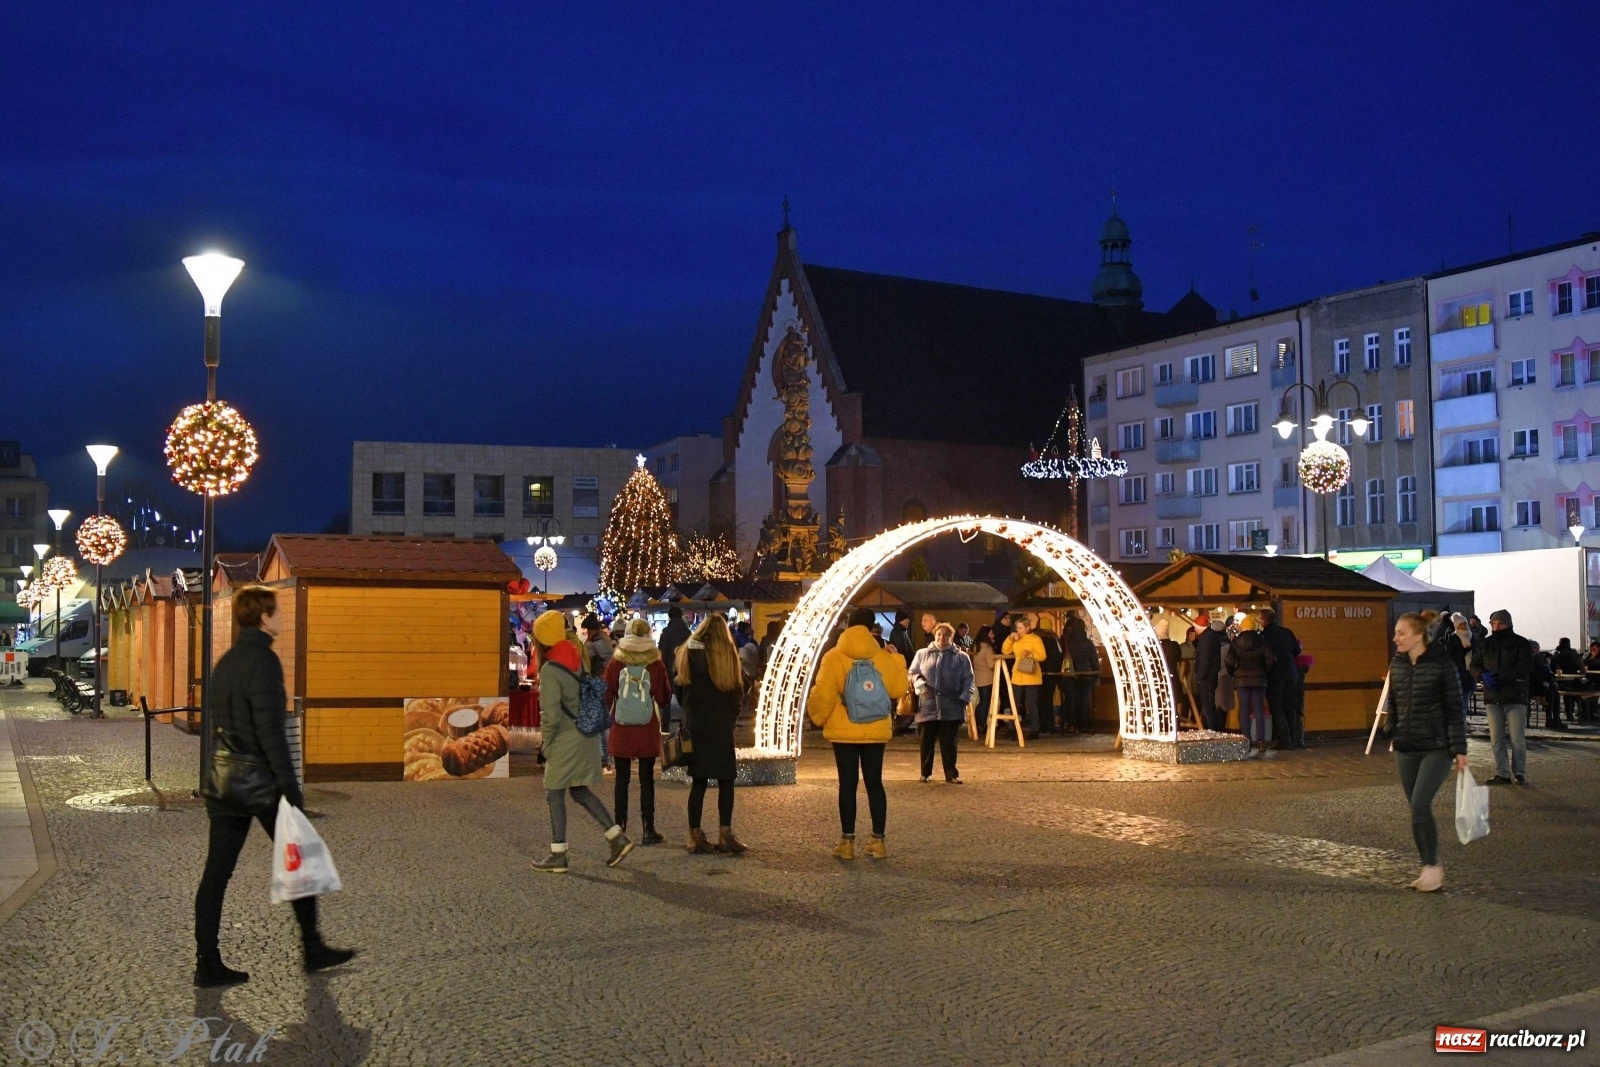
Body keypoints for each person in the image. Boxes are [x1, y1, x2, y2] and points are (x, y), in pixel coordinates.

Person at [193, 586, 356, 988]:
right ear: (263, 617)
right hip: (259, 782)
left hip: (223, 779)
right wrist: (290, 788)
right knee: (301, 858)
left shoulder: (227, 661)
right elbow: (271, 732)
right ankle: (313, 947)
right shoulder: (263, 661)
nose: (282, 615)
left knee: (216, 874)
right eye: (277, 610)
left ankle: (207, 961)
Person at [531, 611, 635, 873]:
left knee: (554, 791)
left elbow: (551, 714)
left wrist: (547, 745)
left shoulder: (550, 669)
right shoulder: (576, 657)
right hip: (585, 734)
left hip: (566, 738)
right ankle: (616, 837)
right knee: (578, 790)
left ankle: (559, 854)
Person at [808, 607, 908, 860]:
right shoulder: (881, 655)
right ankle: (878, 841)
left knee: (847, 785)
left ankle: (847, 843)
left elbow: (823, 693)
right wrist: (897, 661)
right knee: (875, 783)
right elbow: (897, 688)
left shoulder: (834, 656)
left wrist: (817, 717)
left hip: (844, 731)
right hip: (875, 728)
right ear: (871, 626)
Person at [1382, 611, 1469, 892]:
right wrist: (1392, 728)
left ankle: (1433, 868)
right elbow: (1393, 701)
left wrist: (1459, 749)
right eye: (1396, 633)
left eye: (1401, 633)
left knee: (1420, 804)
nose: (1395, 638)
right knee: (1416, 810)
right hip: (1406, 746)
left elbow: (1455, 709)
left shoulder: (1443, 666)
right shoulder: (1397, 664)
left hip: (1436, 746)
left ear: (1418, 636)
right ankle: (1427, 865)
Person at [676, 614, 748, 854]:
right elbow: (737, 691)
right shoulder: (727, 655)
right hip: (720, 724)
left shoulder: (688, 655)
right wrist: (730, 717)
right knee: (726, 780)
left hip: (697, 725)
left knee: (699, 781)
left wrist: (690, 710)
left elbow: (679, 687)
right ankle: (725, 834)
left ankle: (694, 835)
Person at [604, 618, 671, 846]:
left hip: (621, 727)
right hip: (646, 727)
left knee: (621, 780)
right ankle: (648, 829)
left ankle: (620, 829)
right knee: (646, 779)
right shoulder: (655, 663)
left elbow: (607, 695)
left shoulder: (616, 662)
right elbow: (663, 698)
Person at [1470, 609, 1534, 785]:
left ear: (1508, 624)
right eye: (1493, 623)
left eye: (1500, 623)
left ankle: (1520, 772)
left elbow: (1525, 667)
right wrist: (1481, 676)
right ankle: (1502, 773)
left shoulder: (1520, 643)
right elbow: (1474, 664)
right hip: (1492, 696)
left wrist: (1499, 678)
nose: (1496, 627)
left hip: (1514, 696)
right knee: (1496, 738)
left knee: (1517, 738)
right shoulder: (1486, 644)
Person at [909, 623, 976, 783]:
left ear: (952, 637)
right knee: (926, 742)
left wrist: (965, 697)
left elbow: (969, 679)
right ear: (934, 635)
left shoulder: (961, 657)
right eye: (939, 634)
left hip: (951, 705)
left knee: (949, 743)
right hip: (927, 705)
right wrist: (916, 680)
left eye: (946, 635)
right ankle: (925, 773)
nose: (942, 637)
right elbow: (912, 672)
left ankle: (951, 774)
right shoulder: (922, 654)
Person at [1224, 615, 1275, 757]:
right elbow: (1270, 659)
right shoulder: (1262, 641)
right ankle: (1261, 741)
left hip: (1241, 681)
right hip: (1259, 680)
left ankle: (1245, 739)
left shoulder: (1235, 642)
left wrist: (1234, 673)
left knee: (1244, 710)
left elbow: (1228, 660)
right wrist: (1266, 670)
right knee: (1259, 710)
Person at [1258, 608, 1304, 750]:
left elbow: (1263, 656)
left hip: (1275, 674)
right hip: (1291, 672)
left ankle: (1284, 741)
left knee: (1277, 707)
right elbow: (1297, 650)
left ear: (1264, 621)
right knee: (1290, 706)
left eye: (1260, 619)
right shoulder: (1287, 632)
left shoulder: (1264, 636)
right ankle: (1294, 739)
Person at [1002, 616, 1047, 739]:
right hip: (1017, 675)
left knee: (1031, 704)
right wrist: (1010, 639)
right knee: (1014, 704)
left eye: (1021, 628)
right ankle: (1012, 729)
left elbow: (1042, 656)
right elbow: (1005, 651)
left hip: (1031, 676)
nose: (1018, 630)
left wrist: (1031, 654)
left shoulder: (1035, 639)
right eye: (1017, 627)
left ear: (1027, 628)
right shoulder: (1016, 639)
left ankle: (1034, 730)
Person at [1062, 615, 1100, 734]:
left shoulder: (1065, 641)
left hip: (1070, 674)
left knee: (1070, 700)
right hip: (1087, 673)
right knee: (1084, 701)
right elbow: (1093, 659)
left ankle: (1071, 723)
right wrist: (1096, 674)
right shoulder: (1088, 643)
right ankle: (1083, 724)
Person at [1192, 608, 1228, 732]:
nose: (1194, 629)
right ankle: (1213, 729)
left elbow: (1205, 658)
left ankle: (1213, 730)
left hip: (1207, 677)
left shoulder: (1206, 638)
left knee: (1208, 707)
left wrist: (1200, 675)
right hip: (1212, 676)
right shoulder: (1211, 637)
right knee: (1209, 705)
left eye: (1195, 627)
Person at [657, 606, 692, 725]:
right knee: (685, 698)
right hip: (685, 668)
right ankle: (685, 725)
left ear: (669, 617)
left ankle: (665, 726)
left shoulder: (666, 632)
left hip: (669, 669)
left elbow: (663, 652)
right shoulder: (688, 632)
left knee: (667, 698)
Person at [1035, 615, 1065, 735]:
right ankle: (1050, 725)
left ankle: (1042, 725)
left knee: (1039, 700)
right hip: (1052, 674)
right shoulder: (1054, 639)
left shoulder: (1036, 639)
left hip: (1038, 673)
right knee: (1048, 699)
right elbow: (1059, 656)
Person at [971, 625, 1001, 735]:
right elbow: (991, 664)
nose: (993, 635)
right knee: (986, 702)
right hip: (988, 678)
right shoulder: (988, 648)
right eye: (991, 633)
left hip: (978, 677)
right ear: (986, 635)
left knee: (981, 701)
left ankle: (977, 721)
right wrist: (998, 661)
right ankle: (982, 723)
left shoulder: (976, 646)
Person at [1528, 641, 1564, 730]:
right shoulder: (1536, 659)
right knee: (1552, 693)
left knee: (1552, 692)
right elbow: (1544, 673)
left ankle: (1553, 719)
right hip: (1532, 688)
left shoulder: (1525, 658)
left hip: (1530, 686)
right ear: (1536, 649)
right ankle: (1553, 720)